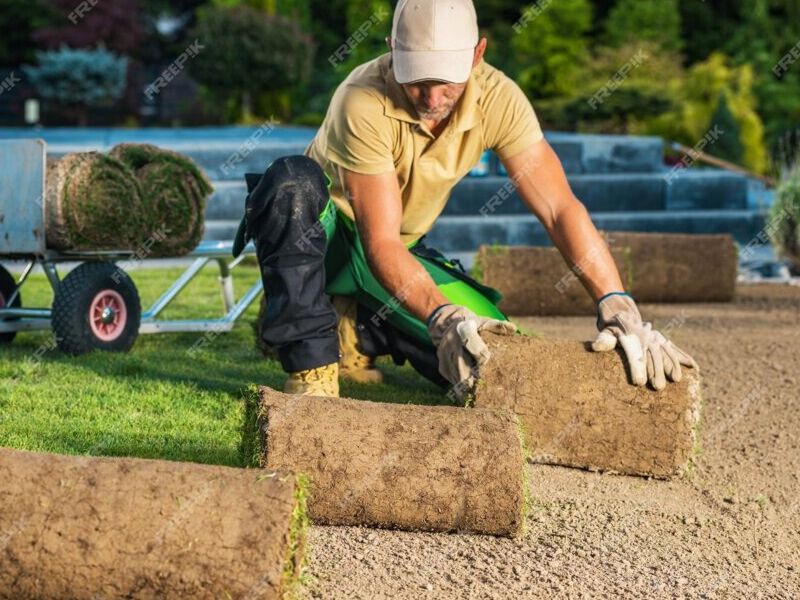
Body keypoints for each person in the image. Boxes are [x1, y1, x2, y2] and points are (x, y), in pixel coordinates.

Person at [232, 0, 697, 399]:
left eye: (447, 83)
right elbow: (379, 244)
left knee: (488, 351)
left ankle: (353, 326)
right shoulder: (361, 100)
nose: (432, 98)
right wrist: (441, 316)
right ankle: (308, 352)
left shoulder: (501, 100)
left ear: (478, 54)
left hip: (399, 251)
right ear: (394, 50)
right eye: (416, 81)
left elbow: (558, 209)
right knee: (291, 181)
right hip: (329, 240)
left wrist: (616, 302)